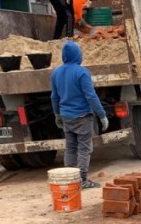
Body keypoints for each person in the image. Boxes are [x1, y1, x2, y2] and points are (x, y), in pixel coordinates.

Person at [50, 41, 108, 189]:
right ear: (78, 55)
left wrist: (57, 114)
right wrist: (102, 115)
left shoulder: (56, 73)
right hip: (82, 117)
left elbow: (54, 97)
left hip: (66, 117)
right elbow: (91, 96)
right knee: (84, 149)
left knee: (70, 148)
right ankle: (82, 180)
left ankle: (70, 180)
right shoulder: (82, 72)